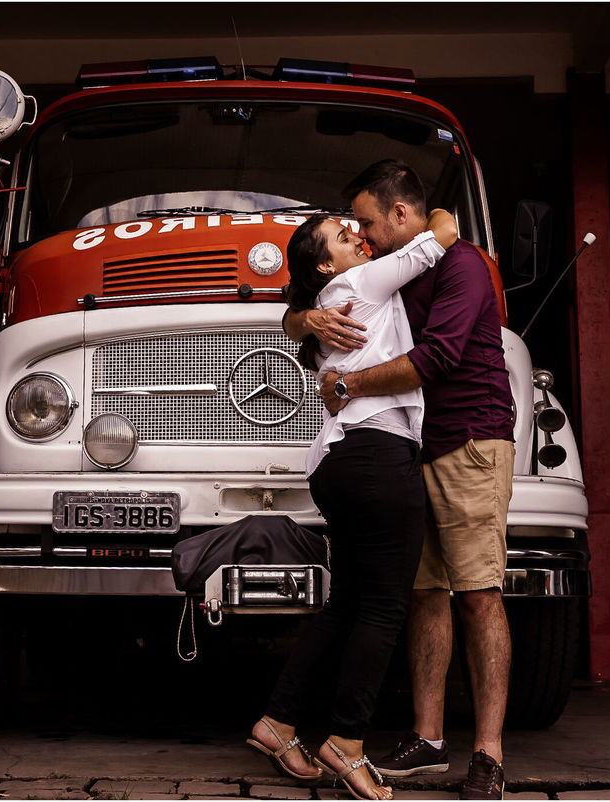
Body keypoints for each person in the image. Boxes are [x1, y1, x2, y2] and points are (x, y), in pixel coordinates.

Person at [283, 160, 516, 801]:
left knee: (478, 594)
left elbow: (435, 358)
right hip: (407, 450)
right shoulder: (388, 269)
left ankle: (489, 753)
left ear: (400, 214)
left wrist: (345, 386)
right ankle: (427, 737)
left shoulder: (460, 265)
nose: (360, 233)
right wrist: (305, 321)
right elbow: (305, 305)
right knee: (425, 594)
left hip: (469, 441)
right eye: (350, 228)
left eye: (364, 222)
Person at [248, 208, 458, 801]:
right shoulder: (363, 281)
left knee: (345, 605)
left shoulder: (330, 301)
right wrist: (421, 213)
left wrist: (301, 316)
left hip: (337, 460)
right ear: (324, 265)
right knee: (385, 610)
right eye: (345, 236)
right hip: (378, 453)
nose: (359, 237)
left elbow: (294, 317)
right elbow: (443, 231)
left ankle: (278, 722)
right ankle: (346, 741)